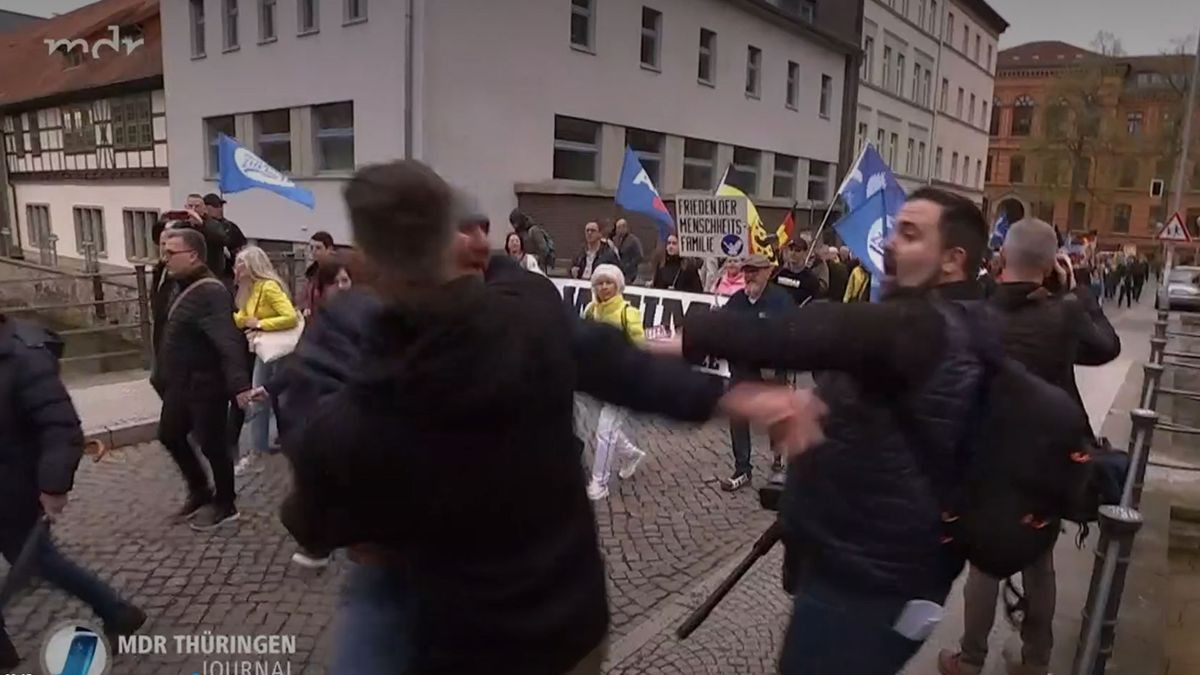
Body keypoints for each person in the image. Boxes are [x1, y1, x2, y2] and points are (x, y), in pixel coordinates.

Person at [279, 160, 813, 675]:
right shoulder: (385, 344)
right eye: (463, 229)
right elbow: (614, 363)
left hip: (515, 624)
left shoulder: (495, 321)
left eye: (480, 228)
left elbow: (317, 506)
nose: (477, 241)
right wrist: (736, 398)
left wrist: (729, 397)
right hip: (516, 620)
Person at [672, 187, 998, 674]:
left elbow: (801, 336)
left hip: (865, 583)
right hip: (866, 568)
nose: (889, 243)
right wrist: (817, 408)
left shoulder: (926, 326)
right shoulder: (958, 322)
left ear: (953, 259)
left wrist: (681, 338)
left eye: (910, 234)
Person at [938, 219, 1119, 675]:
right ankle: (1036, 661)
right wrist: (1077, 292)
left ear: (1001, 259)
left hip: (986, 452)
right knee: (1039, 559)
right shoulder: (1064, 313)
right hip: (1049, 456)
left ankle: (970, 658)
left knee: (984, 559)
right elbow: (1105, 348)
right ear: (1052, 265)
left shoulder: (979, 312)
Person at [0, 315, 147, 668]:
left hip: (11, 487)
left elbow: (61, 427)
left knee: (40, 560)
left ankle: (117, 612)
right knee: (38, 560)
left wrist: (53, 486)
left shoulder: (24, 357)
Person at [152, 228, 254, 531]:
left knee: (212, 444)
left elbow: (228, 341)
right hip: (180, 383)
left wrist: (239, 386)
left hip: (206, 384)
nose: (164, 258)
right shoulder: (175, 284)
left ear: (193, 255)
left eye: (171, 253)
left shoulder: (211, 292)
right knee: (169, 434)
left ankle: (226, 503)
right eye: (164, 251)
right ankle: (200, 491)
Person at [721, 254, 796, 491]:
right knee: (738, 416)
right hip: (742, 370)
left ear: (767, 272)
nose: (749, 276)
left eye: (754, 271)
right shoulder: (736, 301)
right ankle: (742, 469)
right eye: (747, 271)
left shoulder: (780, 300)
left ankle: (779, 460)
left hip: (771, 371)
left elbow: (791, 333)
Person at [232, 246, 300, 475]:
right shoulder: (249, 290)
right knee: (264, 396)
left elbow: (289, 316)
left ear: (250, 266)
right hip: (264, 350)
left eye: (239, 264)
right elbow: (241, 317)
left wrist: (260, 324)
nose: (235, 268)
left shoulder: (268, 287)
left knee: (267, 395)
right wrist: (248, 320)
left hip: (278, 350)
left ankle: (263, 448)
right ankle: (261, 446)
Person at [583, 264, 648, 500]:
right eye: (599, 283)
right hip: (598, 381)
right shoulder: (591, 311)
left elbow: (640, 348)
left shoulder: (627, 313)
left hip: (623, 381)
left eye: (608, 282)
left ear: (618, 285)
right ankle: (631, 455)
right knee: (606, 428)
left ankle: (599, 482)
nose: (604, 287)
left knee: (605, 429)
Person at [203, 193, 248, 273]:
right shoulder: (200, 225)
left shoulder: (229, 226)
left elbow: (240, 248)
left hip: (227, 270)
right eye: (215, 206)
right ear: (205, 207)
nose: (220, 209)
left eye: (220, 206)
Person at [773, 239, 823, 306]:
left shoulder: (811, 279)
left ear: (805, 253)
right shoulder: (777, 273)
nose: (793, 253)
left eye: (797, 251)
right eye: (791, 249)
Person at [302, 231, 336, 317]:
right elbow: (305, 296)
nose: (314, 251)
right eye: (311, 248)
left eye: (318, 248)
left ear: (329, 249)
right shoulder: (311, 272)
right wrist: (305, 307)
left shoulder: (337, 271)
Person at [612, 218, 645, 285]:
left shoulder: (633, 240)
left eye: (618, 228)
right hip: (617, 271)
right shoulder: (615, 239)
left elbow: (640, 256)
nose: (617, 230)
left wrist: (629, 265)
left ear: (624, 228)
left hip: (629, 273)